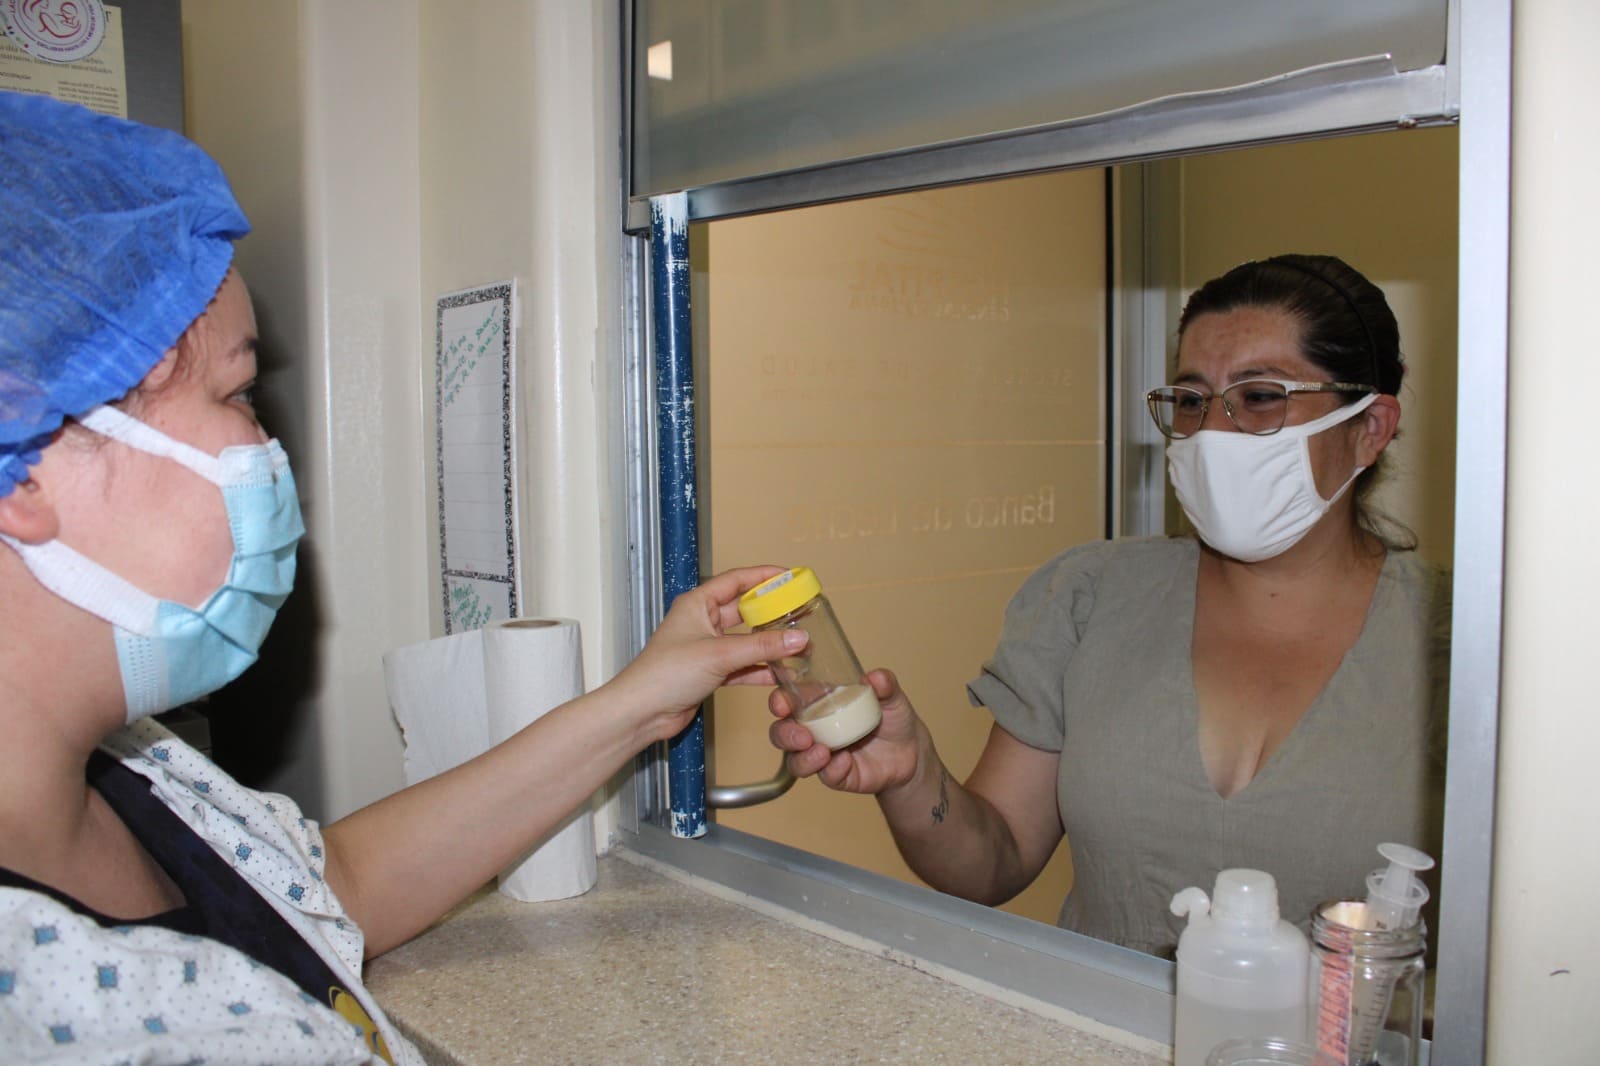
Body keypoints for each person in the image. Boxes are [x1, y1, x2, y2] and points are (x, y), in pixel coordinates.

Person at [0, 93, 804, 1063]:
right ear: (33, 464)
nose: (267, 448)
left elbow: (328, 884)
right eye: (237, 394)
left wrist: (641, 702)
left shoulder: (132, 769)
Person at [770, 252, 1450, 957]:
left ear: (1368, 429)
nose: (1214, 433)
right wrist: (912, 778)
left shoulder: (1463, 647)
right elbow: (993, 862)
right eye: (1191, 401)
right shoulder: (1094, 596)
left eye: (1260, 397)